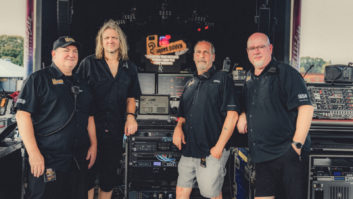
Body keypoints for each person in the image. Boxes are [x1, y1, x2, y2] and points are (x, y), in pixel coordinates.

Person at [16, 36, 97, 199]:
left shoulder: (82, 83)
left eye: (75, 51)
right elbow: (22, 115)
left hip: (77, 160)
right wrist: (34, 153)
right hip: (47, 159)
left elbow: (89, 117)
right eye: (66, 50)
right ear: (53, 54)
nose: (71, 54)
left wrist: (94, 145)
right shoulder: (37, 79)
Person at [237, 32, 314, 199]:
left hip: (287, 153)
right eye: (252, 48)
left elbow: (306, 108)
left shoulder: (286, 73)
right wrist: (243, 114)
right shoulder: (249, 78)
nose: (256, 51)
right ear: (247, 52)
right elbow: (247, 105)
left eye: (261, 47)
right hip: (262, 156)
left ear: (270, 48)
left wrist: (296, 147)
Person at [77, 19, 141, 199]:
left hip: (114, 130)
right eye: (106, 38)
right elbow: (76, 95)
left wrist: (130, 116)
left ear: (120, 41)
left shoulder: (130, 68)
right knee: (87, 177)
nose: (110, 41)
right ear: (101, 41)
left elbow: (131, 96)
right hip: (89, 130)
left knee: (108, 178)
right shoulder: (88, 63)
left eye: (114, 37)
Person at [173, 40, 240, 199]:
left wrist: (219, 147)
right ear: (194, 57)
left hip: (211, 151)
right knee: (181, 191)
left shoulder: (223, 78)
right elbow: (182, 115)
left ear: (213, 57)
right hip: (189, 150)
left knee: (212, 194)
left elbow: (233, 115)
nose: (202, 56)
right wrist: (178, 127)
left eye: (206, 52)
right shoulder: (190, 83)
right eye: (198, 52)